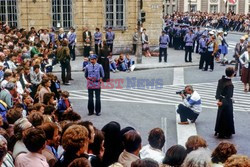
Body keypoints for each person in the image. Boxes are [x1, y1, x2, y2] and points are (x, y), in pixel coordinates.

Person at [215, 67, 235, 139]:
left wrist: (219, 100)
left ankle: (219, 131)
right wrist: (224, 102)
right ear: (232, 74)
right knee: (227, 117)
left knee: (221, 116)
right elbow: (229, 95)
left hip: (220, 100)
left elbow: (218, 91)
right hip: (226, 102)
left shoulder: (221, 80)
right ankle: (226, 132)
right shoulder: (229, 84)